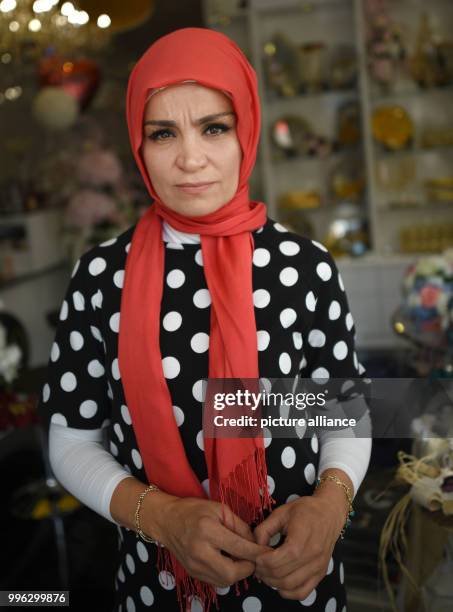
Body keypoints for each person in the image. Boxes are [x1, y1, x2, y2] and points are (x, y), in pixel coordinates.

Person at [38, 27, 372, 612]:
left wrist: (330, 505)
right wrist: (164, 519)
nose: (190, 159)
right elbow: (71, 441)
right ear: (138, 147)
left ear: (247, 128)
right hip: (157, 587)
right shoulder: (100, 278)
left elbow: (342, 408)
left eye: (214, 127)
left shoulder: (306, 267)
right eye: (163, 133)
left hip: (297, 582)